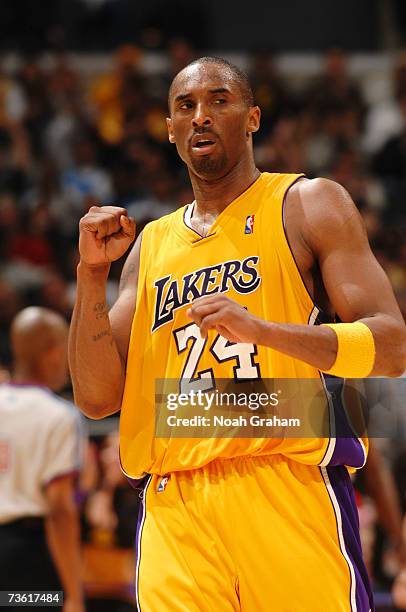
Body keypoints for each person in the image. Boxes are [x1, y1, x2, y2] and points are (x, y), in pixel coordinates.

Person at [69, 57, 406, 611]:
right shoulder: (149, 246)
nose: (201, 116)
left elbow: (390, 346)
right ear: (171, 129)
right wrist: (90, 275)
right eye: (186, 106)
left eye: (219, 100)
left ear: (252, 118)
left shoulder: (307, 203)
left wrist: (265, 332)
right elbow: (97, 397)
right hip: (173, 501)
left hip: (287, 484)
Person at [0, 307, 84, 612]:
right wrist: (74, 594)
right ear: (52, 353)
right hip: (28, 560)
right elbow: (60, 508)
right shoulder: (59, 415)